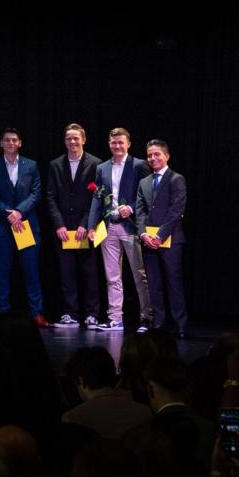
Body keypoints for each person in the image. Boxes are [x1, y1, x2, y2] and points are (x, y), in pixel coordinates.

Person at [86, 127, 152, 332]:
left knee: (140, 275)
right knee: (112, 276)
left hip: (131, 226)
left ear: (128, 144)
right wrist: (91, 225)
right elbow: (98, 197)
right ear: (109, 144)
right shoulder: (102, 168)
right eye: (114, 142)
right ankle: (115, 318)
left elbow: (148, 193)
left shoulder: (139, 165)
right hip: (109, 227)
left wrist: (130, 208)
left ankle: (147, 317)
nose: (117, 146)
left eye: (121, 142)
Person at [0, 128, 48, 327]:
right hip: (2, 226)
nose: (11, 143)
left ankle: (36, 313)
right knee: (2, 272)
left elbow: (36, 193)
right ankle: (2, 313)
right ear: (1, 143)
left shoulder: (31, 165)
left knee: (31, 271)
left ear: (20, 143)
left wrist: (19, 212)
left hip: (26, 224)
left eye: (14, 140)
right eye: (7, 140)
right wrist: (9, 213)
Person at [46, 123, 102, 328]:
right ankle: (70, 313)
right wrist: (59, 225)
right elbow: (50, 197)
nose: (72, 142)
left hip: (86, 229)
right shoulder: (55, 164)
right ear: (64, 141)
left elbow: (97, 197)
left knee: (89, 272)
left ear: (83, 140)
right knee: (66, 273)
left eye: (76, 138)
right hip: (63, 230)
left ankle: (92, 313)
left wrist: (85, 224)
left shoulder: (96, 164)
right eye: (69, 138)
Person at [136, 139, 188, 338]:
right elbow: (140, 210)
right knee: (154, 284)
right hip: (148, 240)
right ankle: (158, 324)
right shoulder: (144, 182)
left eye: (157, 154)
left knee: (174, 283)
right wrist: (143, 234)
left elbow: (176, 210)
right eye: (149, 155)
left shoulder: (176, 179)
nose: (152, 158)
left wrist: (159, 236)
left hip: (170, 240)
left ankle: (180, 325)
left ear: (167, 156)